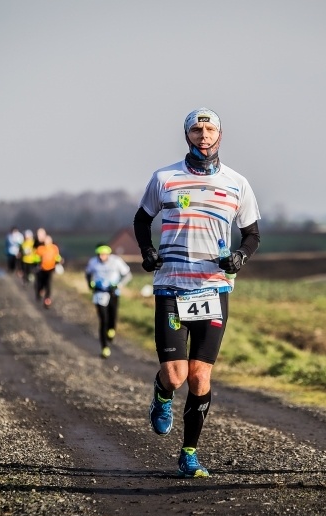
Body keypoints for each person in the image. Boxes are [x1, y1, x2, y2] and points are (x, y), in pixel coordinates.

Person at [133, 107, 261, 478]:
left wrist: (240, 256)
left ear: (220, 135)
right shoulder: (164, 178)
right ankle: (162, 395)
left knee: (200, 377)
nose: (203, 136)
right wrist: (147, 251)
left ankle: (189, 454)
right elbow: (142, 219)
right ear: (187, 135)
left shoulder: (237, 182)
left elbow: (252, 234)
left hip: (213, 288)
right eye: (196, 130)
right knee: (175, 377)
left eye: (210, 130)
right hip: (171, 286)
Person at [84, 244, 133, 358]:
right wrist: (90, 285)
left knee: (112, 316)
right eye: (100, 255)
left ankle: (111, 330)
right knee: (103, 320)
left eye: (104, 255)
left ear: (109, 254)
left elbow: (128, 275)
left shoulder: (116, 261)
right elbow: (88, 273)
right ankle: (104, 347)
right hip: (99, 293)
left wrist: (119, 285)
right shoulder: (93, 262)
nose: (102, 257)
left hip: (113, 293)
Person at [35, 235, 62, 308]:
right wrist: (38, 262)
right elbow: (36, 257)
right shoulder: (40, 248)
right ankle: (40, 292)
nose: (47, 242)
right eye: (46, 240)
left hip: (50, 269)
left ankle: (47, 299)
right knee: (41, 282)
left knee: (48, 284)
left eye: (48, 240)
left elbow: (57, 256)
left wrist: (60, 260)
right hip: (42, 269)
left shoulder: (54, 248)